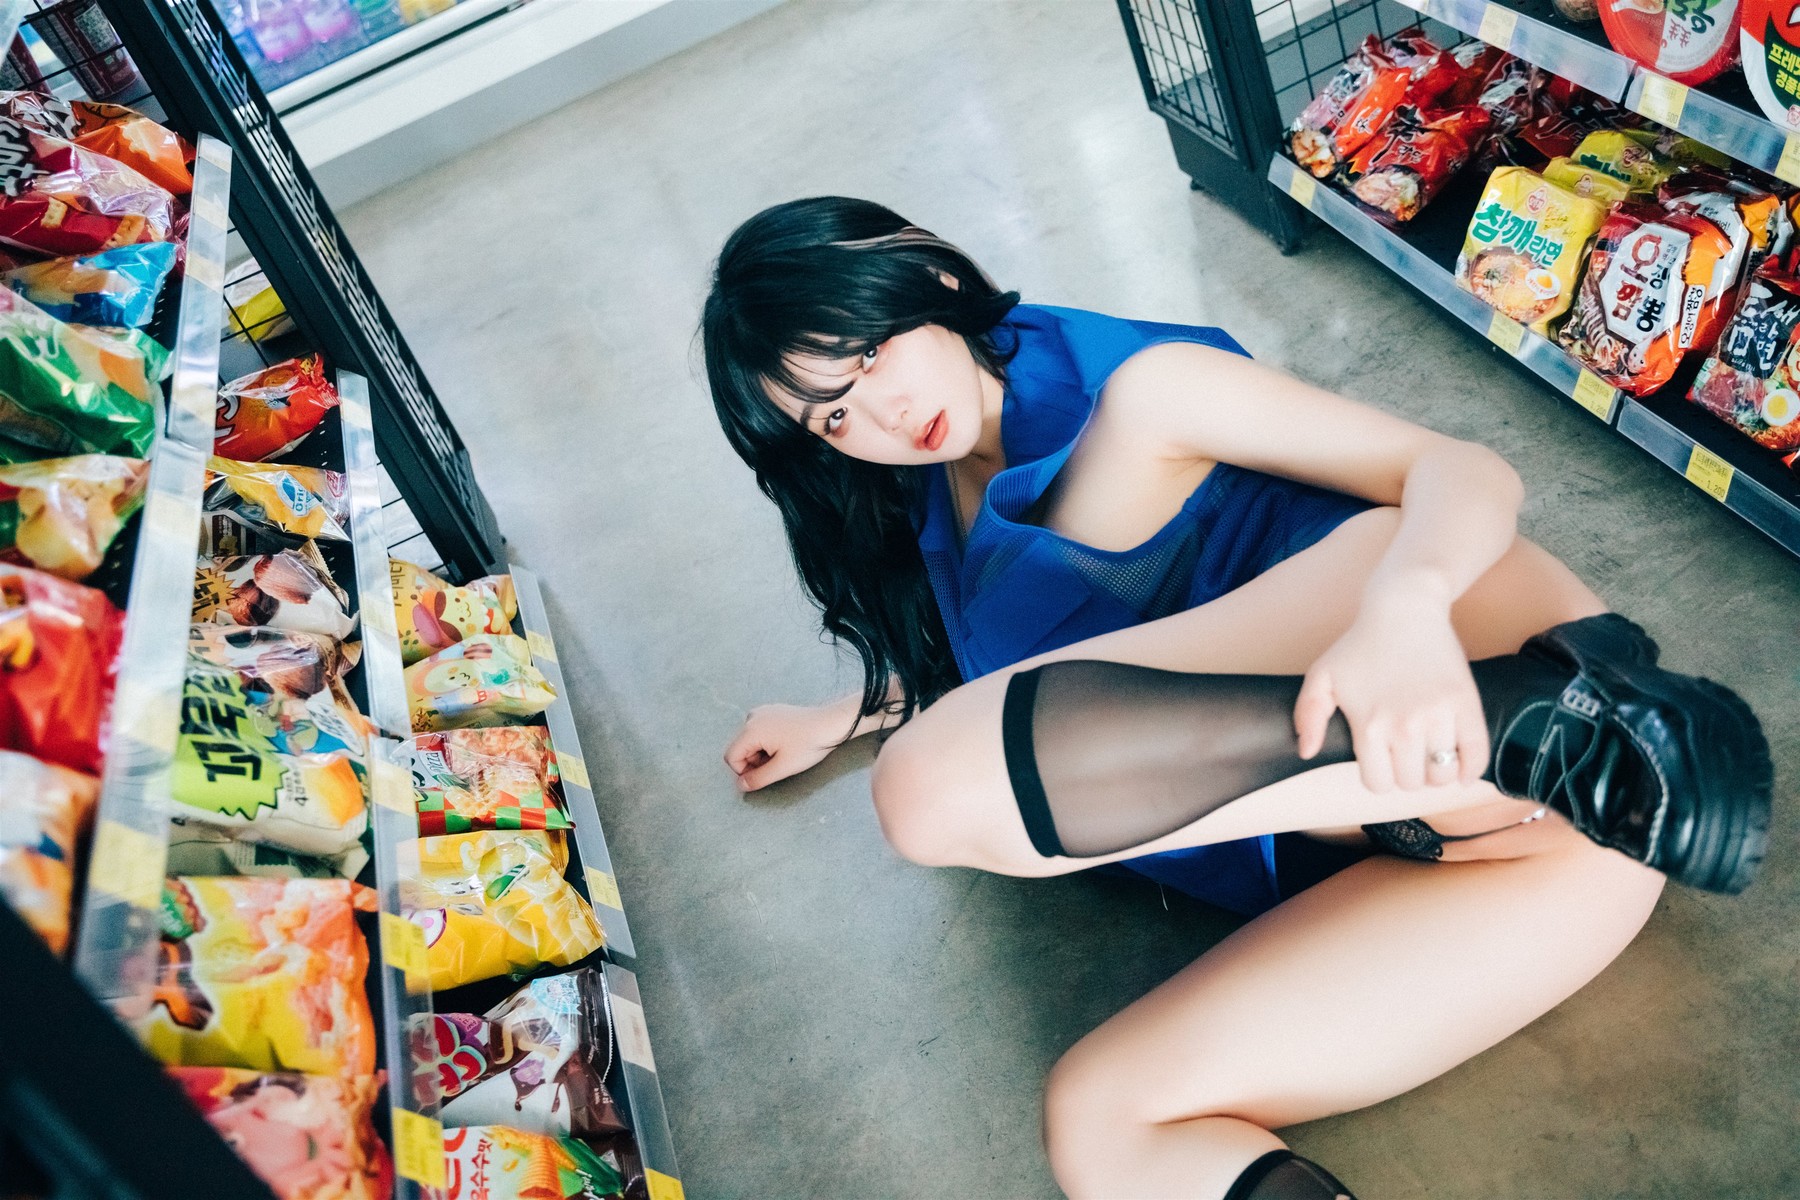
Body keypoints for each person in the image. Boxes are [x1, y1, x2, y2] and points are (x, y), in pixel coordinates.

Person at [699, 196, 1773, 1200]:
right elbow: (1016, 679)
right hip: (1533, 856)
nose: (882, 415)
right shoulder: (932, 505)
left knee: (931, 792)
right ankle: (1543, 749)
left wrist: (1404, 609)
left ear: (927, 279)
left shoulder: (1141, 392)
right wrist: (846, 712)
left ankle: (1541, 727)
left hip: (1470, 638)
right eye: (833, 419)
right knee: (1101, 1121)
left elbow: (1461, 471)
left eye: (869, 355)